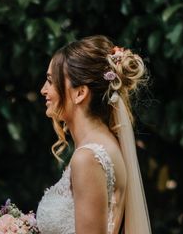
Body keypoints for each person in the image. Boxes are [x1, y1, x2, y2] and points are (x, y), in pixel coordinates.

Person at [36, 35, 151, 234]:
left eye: (50, 81)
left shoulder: (88, 158)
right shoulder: (107, 144)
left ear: (80, 93)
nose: (43, 90)